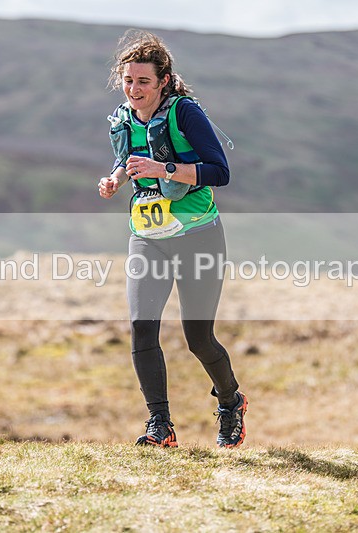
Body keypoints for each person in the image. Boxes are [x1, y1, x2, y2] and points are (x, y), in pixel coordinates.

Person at [98, 30, 247, 448]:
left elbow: (220, 172)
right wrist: (115, 179)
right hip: (148, 238)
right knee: (141, 328)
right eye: (128, 81)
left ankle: (231, 402)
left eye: (143, 81)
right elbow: (127, 159)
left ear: (163, 80)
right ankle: (159, 425)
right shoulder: (124, 117)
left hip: (198, 236)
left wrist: (164, 170)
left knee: (197, 337)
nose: (134, 89)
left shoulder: (185, 113)